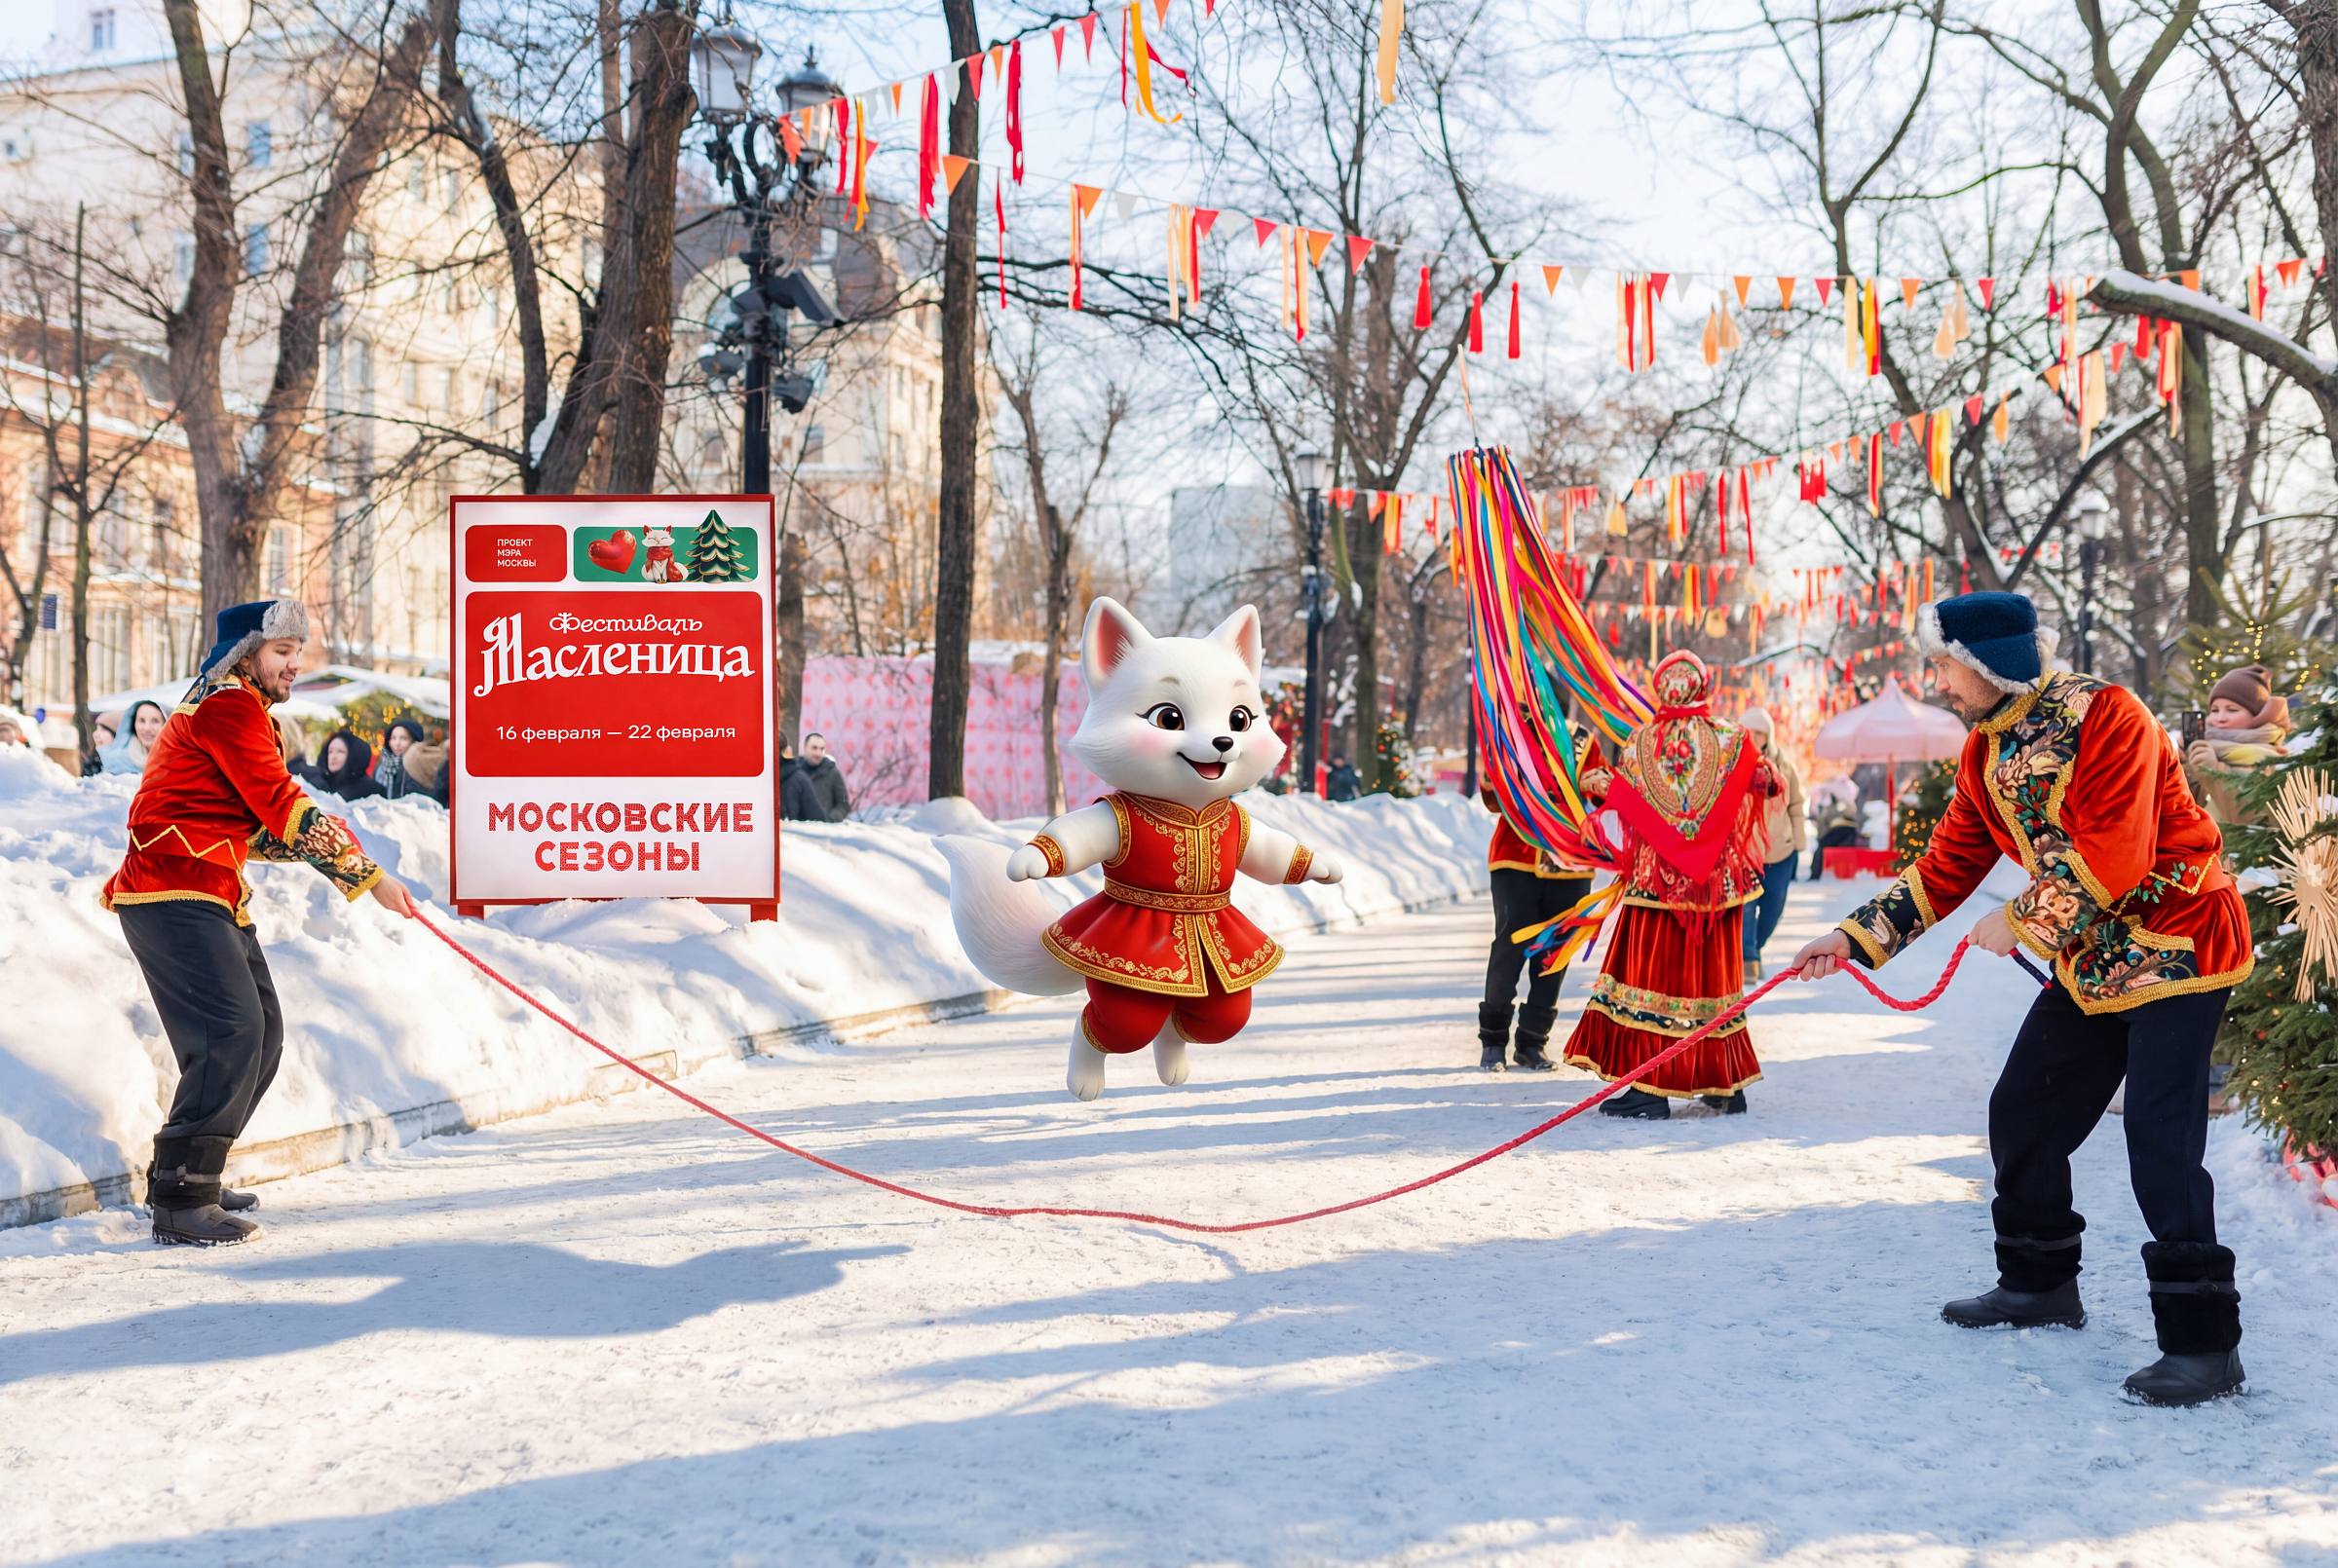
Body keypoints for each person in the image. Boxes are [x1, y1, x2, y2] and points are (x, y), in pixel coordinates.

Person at [1791, 591, 2252, 1407]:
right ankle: (2040, 1283)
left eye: (1942, 665)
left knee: (2159, 1143)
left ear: (1985, 663)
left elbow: (2116, 848)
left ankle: (2204, 1345)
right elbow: (1943, 868)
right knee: (2024, 1114)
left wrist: (2023, 918)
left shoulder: (2109, 715)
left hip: (2181, 948)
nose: (1934, 680)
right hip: (2092, 961)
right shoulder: (1982, 753)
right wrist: (1854, 938)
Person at [101, 598, 416, 1246]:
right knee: (232, 1033)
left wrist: (323, 849)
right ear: (244, 656)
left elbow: (259, 826)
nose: (294, 663)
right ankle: (183, 1199)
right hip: (169, 891)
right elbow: (280, 805)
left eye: (297, 651)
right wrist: (366, 875)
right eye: (281, 651)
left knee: (262, 1034)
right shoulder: (230, 706)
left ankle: (192, 1174)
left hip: (204, 889)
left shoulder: (238, 712)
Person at [1563, 650, 1779, 1119]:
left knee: (1651, 981)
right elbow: (1765, 779)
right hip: (1716, 890)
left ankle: (1651, 1088)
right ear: (1703, 686)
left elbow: (1624, 796)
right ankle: (1724, 1084)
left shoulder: (1639, 743)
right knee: (1713, 985)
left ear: (1662, 687)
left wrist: (1597, 782)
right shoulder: (1732, 739)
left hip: (1656, 886)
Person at [1478, 758, 1596, 1072]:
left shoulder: (1581, 739)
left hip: (1570, 860)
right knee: (1509, 946)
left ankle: (1533, 1041)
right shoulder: (1509, 734)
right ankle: (1493, 1038)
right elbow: (1492, 801)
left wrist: (1597, 783)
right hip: (1516, 855)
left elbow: (1601, 796)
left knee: (1555, 953)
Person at [1736, 708, 1806, 978]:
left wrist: (1798, 843)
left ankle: (1753, 949)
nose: (1755, 737)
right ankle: (1749, 960)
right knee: (1746, 907)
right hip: (1745, 852)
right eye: (1750, 733)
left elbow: (1797, 805)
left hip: (1781, 850)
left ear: (1769, 735)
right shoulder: (1733, 765)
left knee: (1773, 908)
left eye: (1760, 733)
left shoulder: (1784, 765)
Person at [306, 729, 383, 801]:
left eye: (340, 751)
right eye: (330, 751)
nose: (333, 756)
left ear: (353, 755)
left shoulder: (371, 790)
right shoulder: (316, 785)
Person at [792, 730, 851, 822]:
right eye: (814, 748)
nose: (818, 753)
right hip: (796, 830)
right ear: (805, 748)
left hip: (822, 830)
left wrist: (830, 819)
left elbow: (843, 802)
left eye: (822, 749)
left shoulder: (833, 773)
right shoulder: (793, 771)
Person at [96, 699, 167, 775]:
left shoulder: (176, 760)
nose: (147, 728)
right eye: (142, 721)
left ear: (166, 724)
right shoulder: (116, 761)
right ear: (133, 724)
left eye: (155, 721)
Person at [373, 717, 432, 800]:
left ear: (414, 741)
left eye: (404, 738)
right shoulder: (380, 768)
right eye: (393, 738)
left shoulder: (420, 767)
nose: (397, 743)